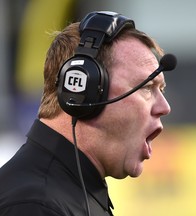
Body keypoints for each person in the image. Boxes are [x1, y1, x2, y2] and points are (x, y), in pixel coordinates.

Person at [0, 11, 176, 216]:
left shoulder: (69, 192)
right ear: (84, 90)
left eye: (161, 90)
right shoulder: (35, 206)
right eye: (147, 87)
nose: (165, 107)